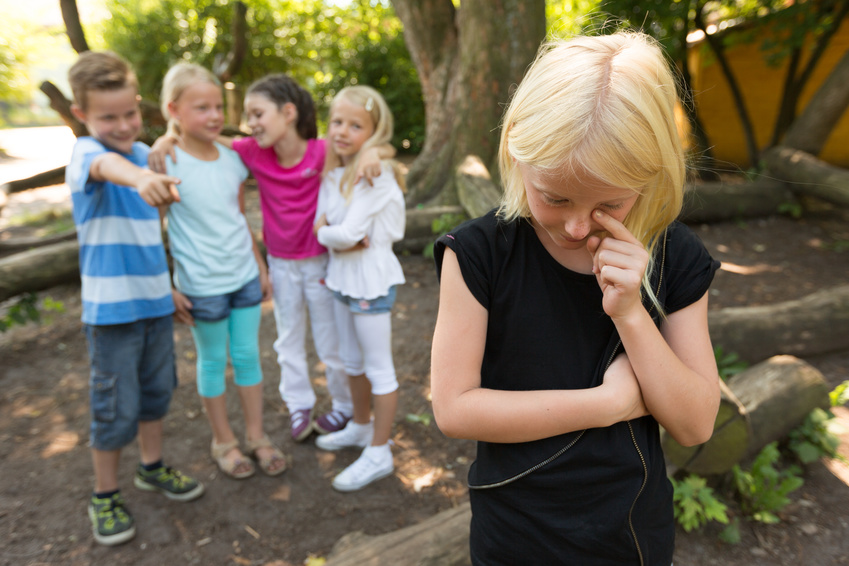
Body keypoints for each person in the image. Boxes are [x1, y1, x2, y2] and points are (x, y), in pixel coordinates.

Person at [430, 31, 722, 565]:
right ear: (518, 147)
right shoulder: (478, 254)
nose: (576, 224)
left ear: (651, 172)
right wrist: (607, 405)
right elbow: (453, 409)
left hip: (631, 536)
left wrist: (632, 313)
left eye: (610, 202)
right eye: (555, 196)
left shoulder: (674, 255)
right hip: (512, 533)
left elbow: (696, 423)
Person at [150, 74, 388, 443]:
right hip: (281, 263)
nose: (251, 123)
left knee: (331, 342)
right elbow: (207, 139)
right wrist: (169, 136)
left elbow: (366, 146)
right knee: (288, 338)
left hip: (321, 264)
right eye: (248, 116)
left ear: (288, 112)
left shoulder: (321, 152)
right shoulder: (251, 152)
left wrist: (374, 152)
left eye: (258, 113)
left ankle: (342, 405)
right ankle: (299, 404)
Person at [66, 51, 204, 547]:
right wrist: (141, 175)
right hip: (111, 315)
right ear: (82, 115)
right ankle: (104, 493)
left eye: (129, 113)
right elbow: (105, 165)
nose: (123, 125)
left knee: (155, 393)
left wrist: (166, 288)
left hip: (153, 305)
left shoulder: (145, 151)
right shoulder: (86, 154)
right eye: (109, 116)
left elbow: (148, 241)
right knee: (112, 406)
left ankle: (152, 467)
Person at [158, 62, 286, 479]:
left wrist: (259, 262)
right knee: (213, 361)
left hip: (244, 276)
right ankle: (223, 442)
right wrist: (166, 284)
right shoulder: (164, 160)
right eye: (201, 108)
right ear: (174, 109)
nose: (214, 116)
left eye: (217, 106)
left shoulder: (233, 158)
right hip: (201, 285)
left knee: (249, 355)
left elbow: (236, 215)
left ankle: (257, 437)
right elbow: (152, 228)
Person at [312, 86, 406, 491]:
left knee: (378, 367)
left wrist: (339, 235)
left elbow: (347, 231)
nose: (343, 131)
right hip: (341, 278)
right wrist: (340, 237)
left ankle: (379, 451)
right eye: (337, 122)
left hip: (370, 280)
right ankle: (360, 425)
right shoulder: (334, 174)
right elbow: (324, 230)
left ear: (373, 131)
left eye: (355, 125)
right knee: (351, 360)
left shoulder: (375, 173)